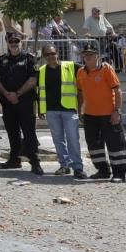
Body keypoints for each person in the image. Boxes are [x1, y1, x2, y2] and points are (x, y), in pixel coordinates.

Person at [76, 43, 126, 182]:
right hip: (90, 115)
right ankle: (102, 170)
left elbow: (117, 90)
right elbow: (80, 93)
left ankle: (119, 174)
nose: (88, 57)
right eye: (85, 55)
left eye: (91, 54)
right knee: (94, 145)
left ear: (97, 55)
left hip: (108, 114)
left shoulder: (106, 69)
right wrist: (80, 110)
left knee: (115, 144)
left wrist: (117, 111)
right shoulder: (80, 72)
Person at [0, 33, 42, 175]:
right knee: (12, 131)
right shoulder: (1, 60)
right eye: (11, 41)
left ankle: (35, 162)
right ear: (7, 42)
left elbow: (32, 80)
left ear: (21, 42)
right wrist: (7, 94)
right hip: (8, 103)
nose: (13, 43)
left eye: (16, 41)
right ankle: (14, 160)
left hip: (25, 102)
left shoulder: (29, 59)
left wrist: (17, 94)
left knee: (29, 132)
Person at [37, 44, 85, 179]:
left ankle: (78, 167)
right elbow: (40, 91)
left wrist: (82, 107)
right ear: (44, 57)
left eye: (53, 53)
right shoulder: (41, 71)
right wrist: (41, 109)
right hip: (51, 111)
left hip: (69, 110)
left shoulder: (70, 66)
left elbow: (86, 72)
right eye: (47, 54)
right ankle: (64, 165)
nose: (51, 56)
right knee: (58, 140)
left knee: (73, 140)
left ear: (57, 53)